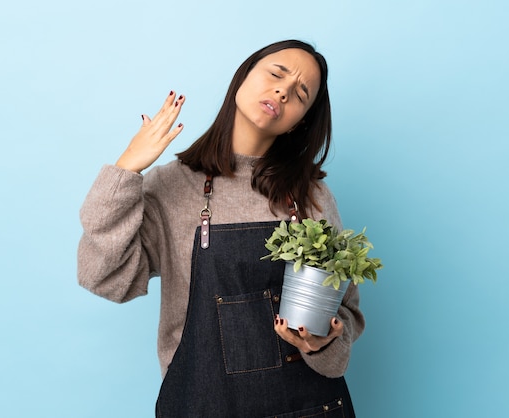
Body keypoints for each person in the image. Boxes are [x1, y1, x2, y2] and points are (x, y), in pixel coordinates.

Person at [78, 39, 365, 417]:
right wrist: (127, 169)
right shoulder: (171, 187)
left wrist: (321, 342)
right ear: (243, 76)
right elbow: (103, 277)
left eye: (300, 94)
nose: (282, 90)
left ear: (301, 120)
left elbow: (345, 316)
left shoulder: (310, 195)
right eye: (277, 74)